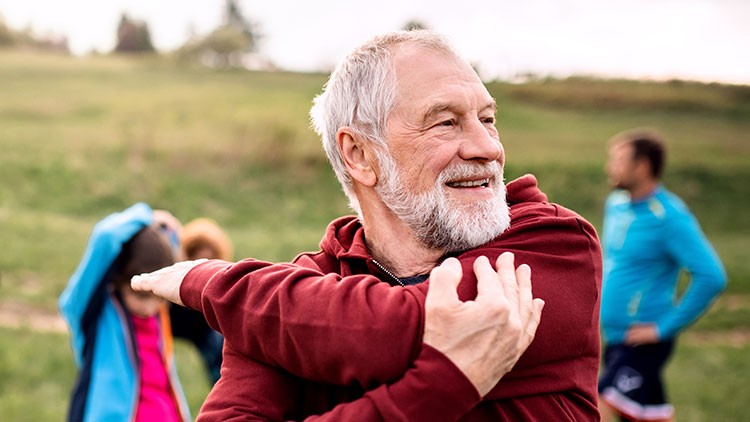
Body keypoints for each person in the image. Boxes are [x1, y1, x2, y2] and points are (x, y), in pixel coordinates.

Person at [133, 30, 602, 420]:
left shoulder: (554, 244)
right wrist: (439, 384)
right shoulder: (290, 298)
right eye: (446, 123)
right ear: (360, 155)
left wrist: (217, 283)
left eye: (487, 118)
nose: (487, 147)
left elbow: (393, 328)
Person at [598, 128, 727, 422]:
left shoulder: (669, 217)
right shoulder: (616, 205)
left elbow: (711, 276)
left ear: (641, 167)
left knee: (597, 407)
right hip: (615, 337)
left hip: (643, 341)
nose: (610, 167)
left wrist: (662, 328)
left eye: (618, 160)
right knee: (650, 416)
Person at [59, 203, 192, 421]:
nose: (150, 307)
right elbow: (106, 236)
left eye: (158, 298)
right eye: (140, 296)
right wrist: (147, 215)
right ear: (118, 282)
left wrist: (168, 232)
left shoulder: (159, 317)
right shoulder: (95, 314)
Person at [169, 218, 233, 383]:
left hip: (201, 325)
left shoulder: (217, 291)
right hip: (172, 317)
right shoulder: (169, 281)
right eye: (196, 260)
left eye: (210, 262)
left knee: (220, 360)